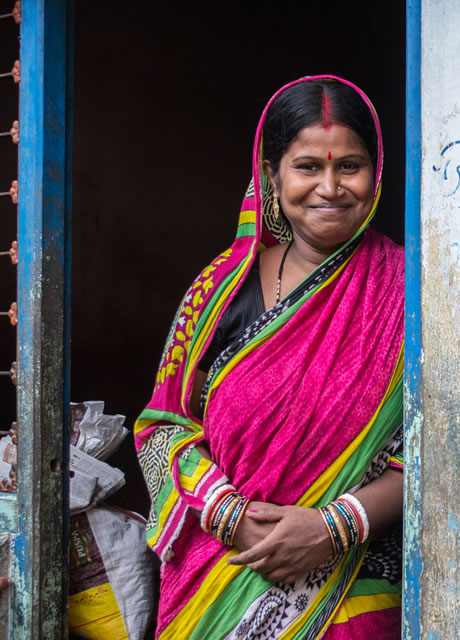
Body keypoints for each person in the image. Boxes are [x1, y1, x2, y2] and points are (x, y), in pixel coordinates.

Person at [135, 76, 404, 639]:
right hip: (217, 584)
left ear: (376, 173)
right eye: (307, 166)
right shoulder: (219, 290)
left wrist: (333, 529)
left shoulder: (408, 292)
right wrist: (231, 517)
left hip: (351, 587)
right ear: (273, 175)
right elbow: (162, 428)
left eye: (349, 166)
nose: (330, 187)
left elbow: (436, 450)